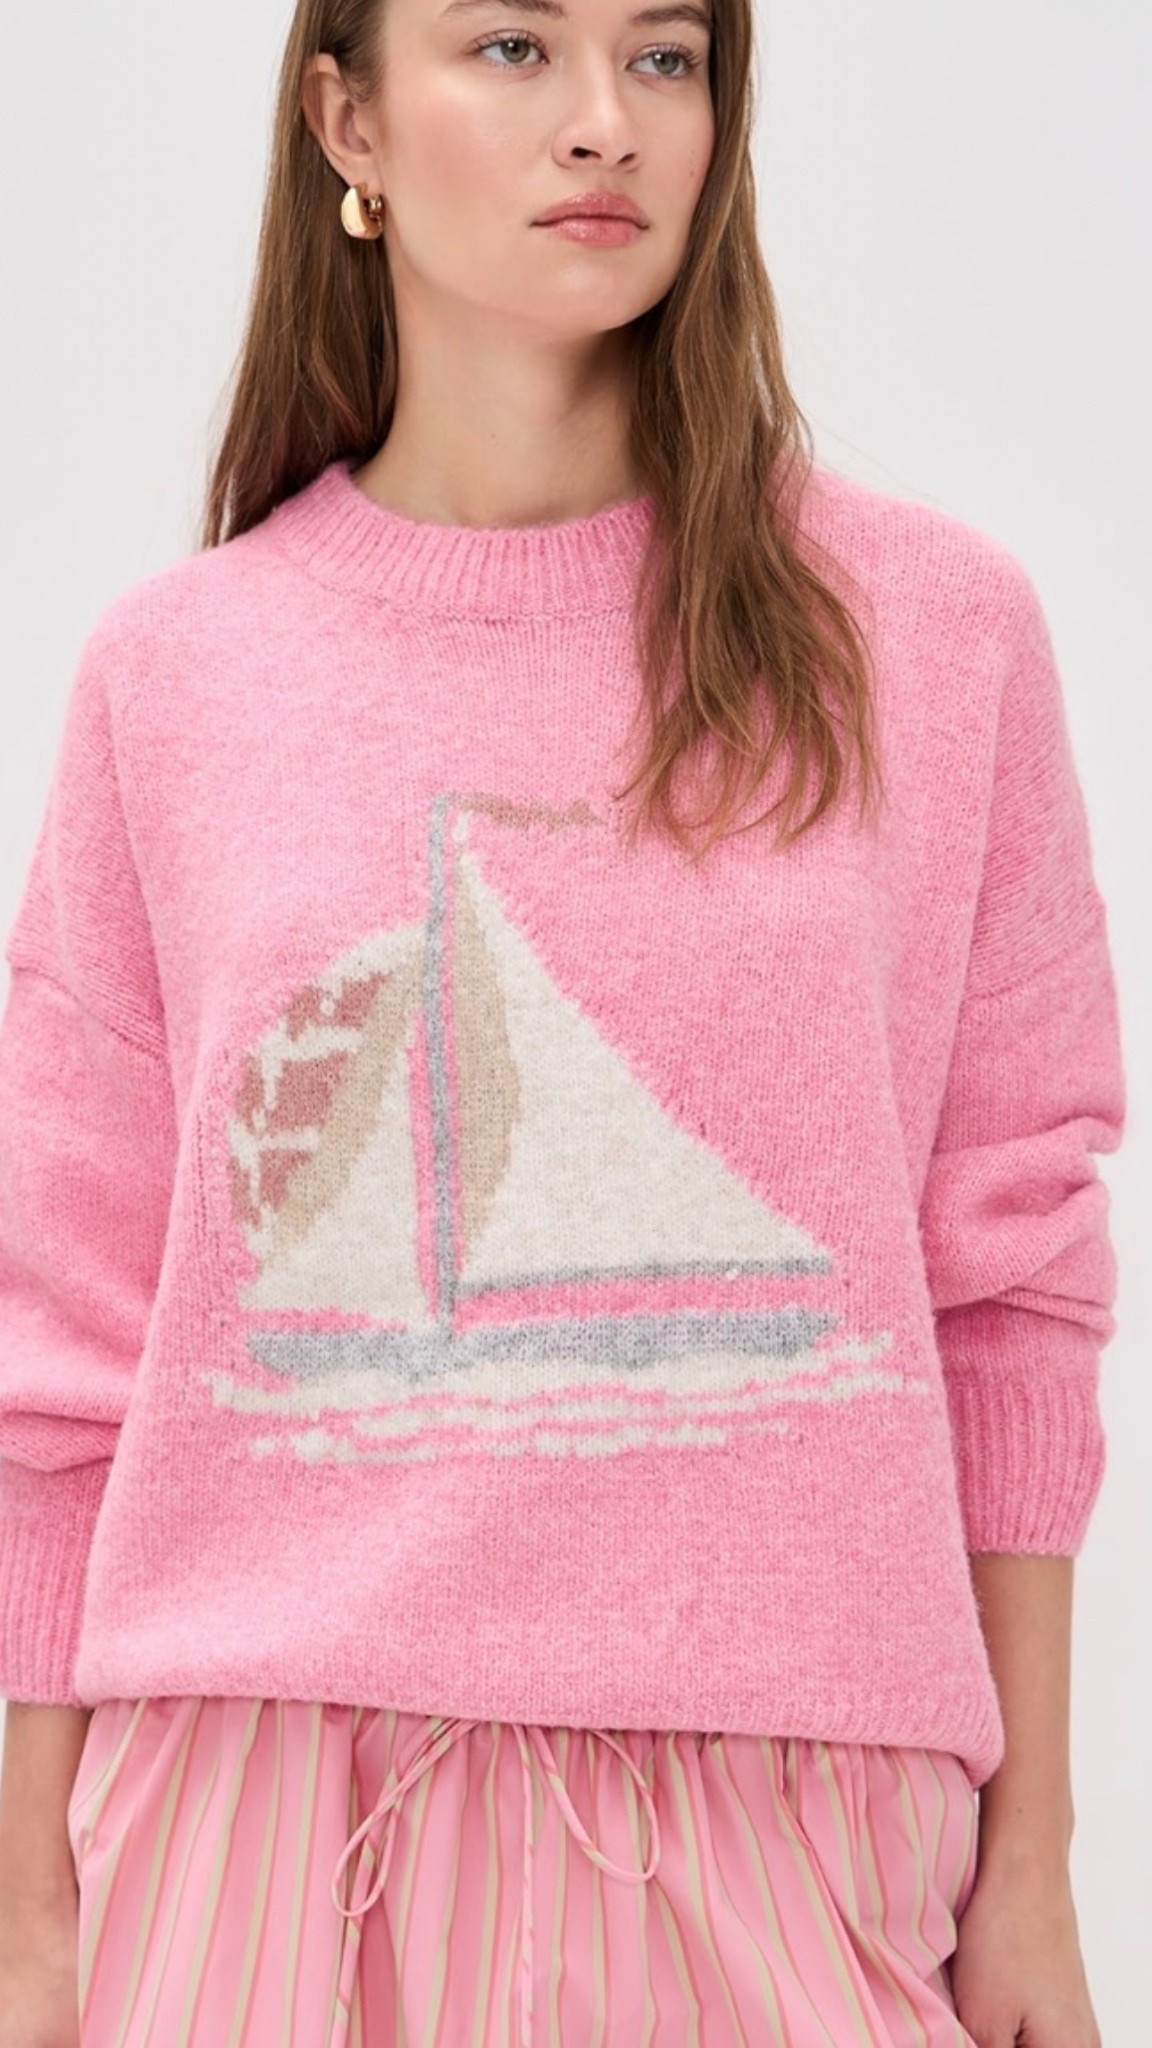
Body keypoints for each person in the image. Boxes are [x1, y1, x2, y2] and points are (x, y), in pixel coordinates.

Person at [0, 0, 1126, 2040]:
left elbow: (1012, 1289)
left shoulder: (934, 642)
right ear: (347, 119)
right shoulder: (177, 679)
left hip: (788, 1821)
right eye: (513, 48)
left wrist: (1035, 1857)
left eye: (664, 56)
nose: (605, 123)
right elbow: (59, 1345)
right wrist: (23, 1921)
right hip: (260, 1824)